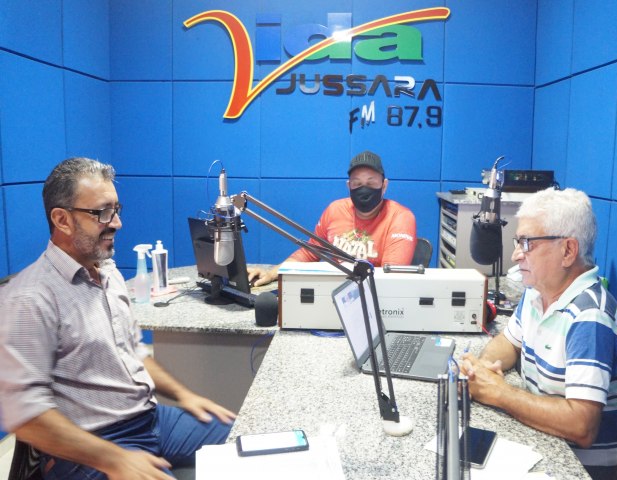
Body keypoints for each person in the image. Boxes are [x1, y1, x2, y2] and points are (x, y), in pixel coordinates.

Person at [0, 157, 236, 480]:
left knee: (249, 441)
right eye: (102, 212)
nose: (117, 223)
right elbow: (25, 417)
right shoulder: (29, 298)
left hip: (150, 420)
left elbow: (133, 351)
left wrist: (185, 395)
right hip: (92, 444)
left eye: (116, 209)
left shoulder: (108, 271)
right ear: (62, 220)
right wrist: (114, 460)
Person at [461, 187, 617, 479]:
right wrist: (480, 370)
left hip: (582, 468)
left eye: (527, 243)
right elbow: (508, 342)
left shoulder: (590, 317)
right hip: (547, 442)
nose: (516, 255)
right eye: (518, 242)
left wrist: (499, 393)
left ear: (568, 250)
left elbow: (581, 425)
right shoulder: (537, 292)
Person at [248, 150, 417, 286]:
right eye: (357, 184)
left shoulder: (400, 217)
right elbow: (310, 252)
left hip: (376, 299)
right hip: (336, 292)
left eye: (371, 183)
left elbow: (391, 279)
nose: (364, 189)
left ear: (384, 186)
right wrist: (273, 273)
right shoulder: (335, 210)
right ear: (348, 186)